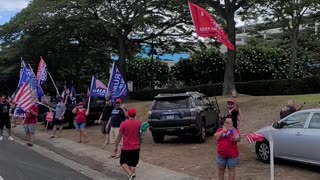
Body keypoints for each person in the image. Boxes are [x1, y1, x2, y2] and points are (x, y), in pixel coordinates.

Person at [114, 108, 141, 180]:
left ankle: (130, 174)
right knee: (132, 164)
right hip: (136, 147)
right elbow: (139, 134)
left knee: (122, 162)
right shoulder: (138, 123)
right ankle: (132, 176)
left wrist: (116, 145)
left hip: (127, 148)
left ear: (127, 114)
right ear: (135, 114)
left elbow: (119, 136)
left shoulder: (123, 124)